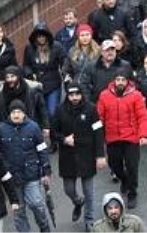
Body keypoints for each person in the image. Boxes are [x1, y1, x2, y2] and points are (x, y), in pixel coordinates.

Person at [51, 85, 106, 230]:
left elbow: (98, 131)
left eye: (77, 94)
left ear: (81, 94)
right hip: (67, 156)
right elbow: (53, 132)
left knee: (89, 191)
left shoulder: (91, 108)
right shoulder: (60, 110)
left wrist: (100, 155)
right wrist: (64, 139)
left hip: (86, 154)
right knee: (68, 189)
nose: (74, 97)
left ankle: (89, 220)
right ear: (67, 96)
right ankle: (77, 201)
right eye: (71, 95)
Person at [0, 99, 52, 233]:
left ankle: (44, 227)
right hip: (12, 176)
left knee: (37, 204)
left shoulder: (33, 127)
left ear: (24, 113)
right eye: (13, 112)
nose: (16, 115)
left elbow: (42, 149)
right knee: (19, 211)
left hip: (31, 174)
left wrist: (46, 171)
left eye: (19, 112)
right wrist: (2, 169)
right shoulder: (2, 128)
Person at [97, 73, 147, 210]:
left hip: (131, 137)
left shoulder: (136, 95)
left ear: (128, 81)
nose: (120, 82)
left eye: (123, 80)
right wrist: (96, 135)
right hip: (112, 137)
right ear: (114, 81)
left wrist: (143, 135)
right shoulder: (104, 95)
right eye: (118, 80)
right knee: (114, 165)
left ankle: (132, 192)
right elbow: (100, 116)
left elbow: (142, 116)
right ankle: (124, 180)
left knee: (132, 166)